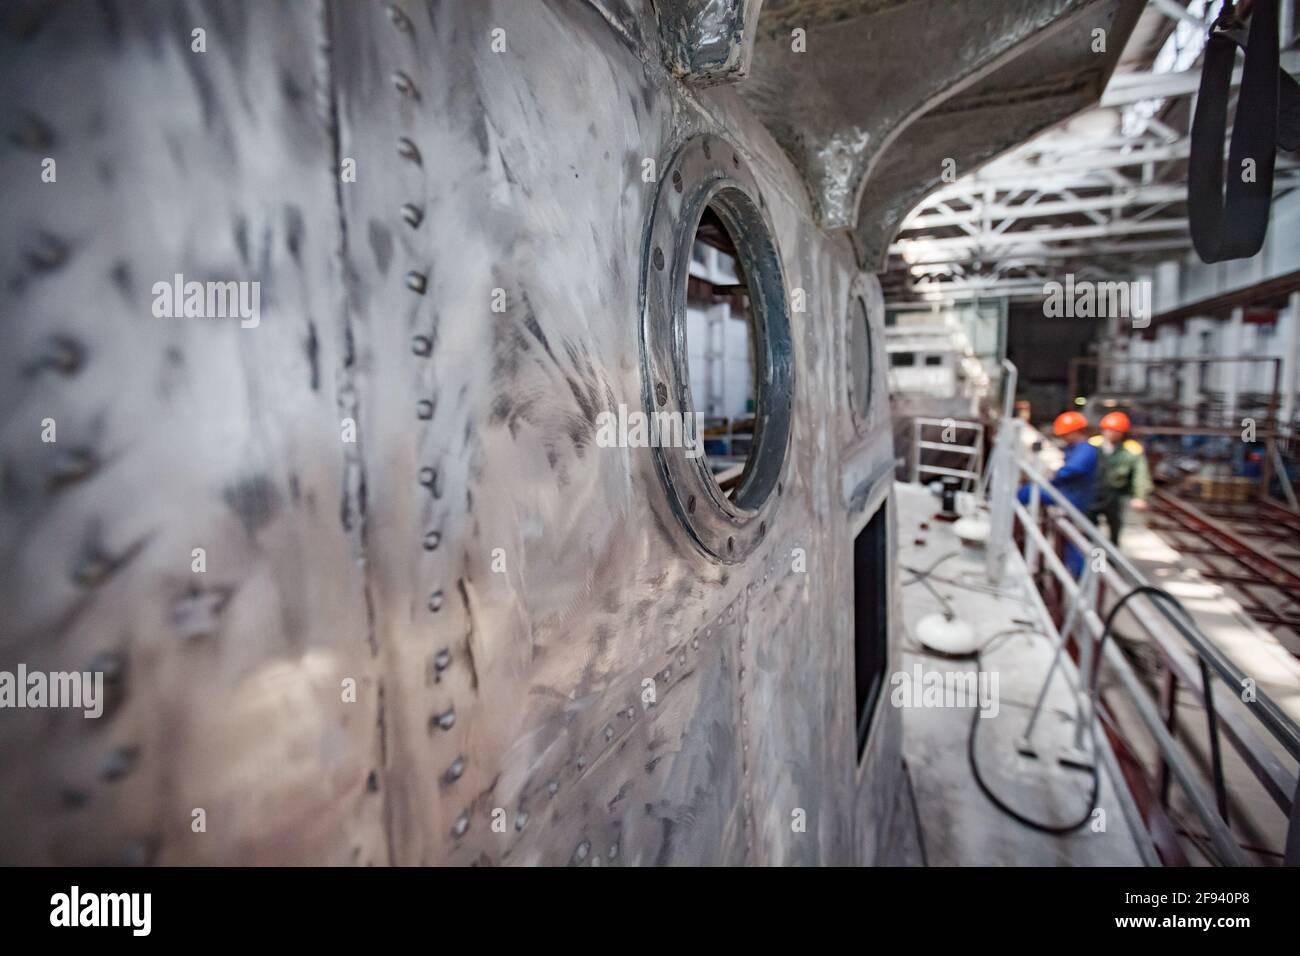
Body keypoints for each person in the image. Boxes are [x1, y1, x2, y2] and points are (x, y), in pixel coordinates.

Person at [1019, 410, 1098, 575]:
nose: (1063, 438)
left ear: (1077, 432)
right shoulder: (1077, 447)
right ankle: (1079, 573)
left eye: (1066, 434)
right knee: (1073, 539)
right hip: (1073, 495)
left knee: (1032, 490)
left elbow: (1072, 470)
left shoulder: (1085, 449)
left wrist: (1053, 478)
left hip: (1074, 498)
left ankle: (1082, 574)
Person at [1087, 411, 1151, 546]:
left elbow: (1140, 474)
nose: (1111, 433)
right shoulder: (1093, 445)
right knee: (1089, 526)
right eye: (1109, 430)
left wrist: (1139, 496)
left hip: (1115, 494)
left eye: (1116, 431)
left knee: (1115, 526)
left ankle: (1112, 558)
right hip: (1092, 491)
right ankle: (1091, 557)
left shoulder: (1131, 450)